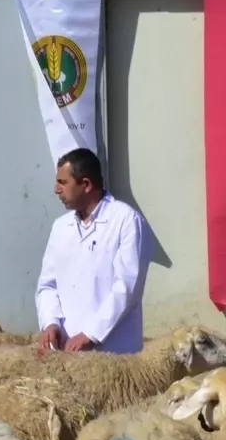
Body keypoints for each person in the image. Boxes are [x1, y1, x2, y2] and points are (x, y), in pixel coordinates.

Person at [34, 147, 151, 357]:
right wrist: (51, 323)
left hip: (114, 355)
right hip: (68, 355)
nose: (56, 189)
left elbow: (127, 287)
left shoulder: (126, 221)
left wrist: (91, 334)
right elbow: (48, 285)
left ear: (86, 185)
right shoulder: (61, 227)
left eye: (63, 182)